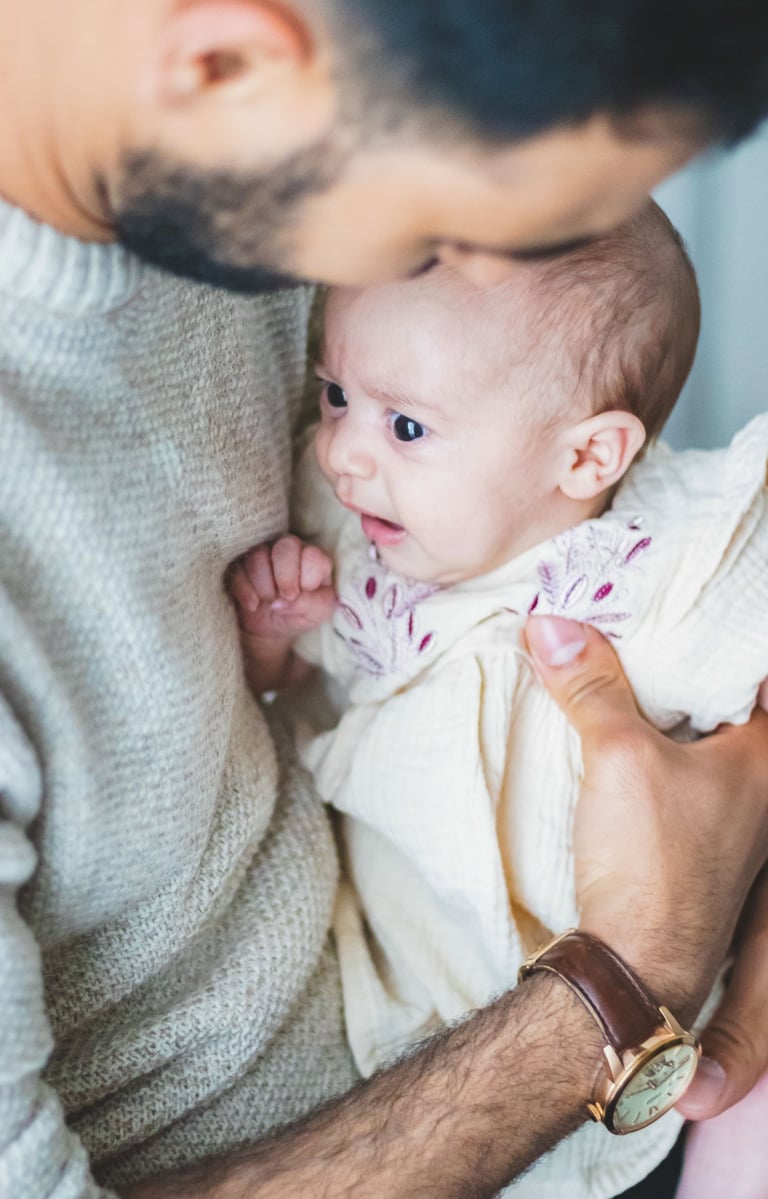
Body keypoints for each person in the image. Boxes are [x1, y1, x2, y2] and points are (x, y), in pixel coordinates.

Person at [2, 2, 768, 1198]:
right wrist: (634, 968)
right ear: (227, 69)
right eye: (434, 234)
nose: (344, 449)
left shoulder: (258, 169)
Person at [228, 202, 768, 1197]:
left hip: (675, 1027)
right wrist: (273, 631)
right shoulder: (360, 534)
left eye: (403, 423)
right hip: (425, 1043)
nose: (342, 449)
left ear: (588, 459)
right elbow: (287, 696)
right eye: (334, 392)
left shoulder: (656, 567)